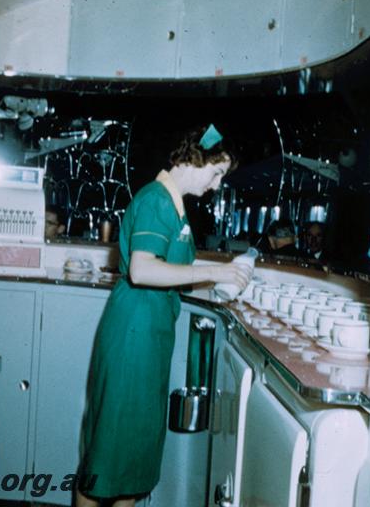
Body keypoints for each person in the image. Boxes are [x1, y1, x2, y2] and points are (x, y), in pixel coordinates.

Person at [76, 124, 252, 507]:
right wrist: (214, 271)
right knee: (108, 455)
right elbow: (142, 270)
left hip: (149, 337)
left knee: (134, 460)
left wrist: (222, 287)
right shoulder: (157, 200)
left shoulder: (175, 207)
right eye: (217, 172)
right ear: (196, 159)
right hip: (133, 337)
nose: (217, 184)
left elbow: (171, 275)